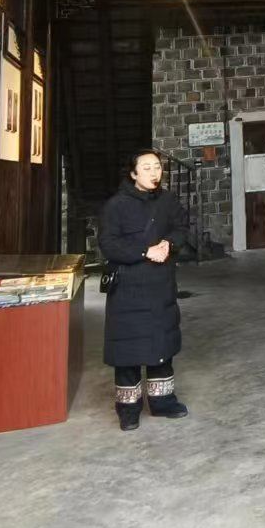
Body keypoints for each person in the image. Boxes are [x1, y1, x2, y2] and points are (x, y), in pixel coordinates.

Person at [98, 148, 191, 428]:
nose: (154, 173)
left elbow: (181, 227)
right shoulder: (116, 205)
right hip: (128, 285)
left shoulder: (167, 200)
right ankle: (128, 410)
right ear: (133, 173)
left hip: (160, 282)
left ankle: (163, 402)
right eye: (147, 168)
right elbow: (108, 244)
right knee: (128, 348)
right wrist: (145, 251)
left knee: (160, 341)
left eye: (157, 167)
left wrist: (168, 244)